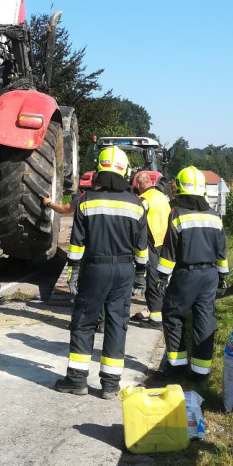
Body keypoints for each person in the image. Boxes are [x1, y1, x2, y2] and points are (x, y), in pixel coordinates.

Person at [54, 146, 149, 399]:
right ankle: (110, 385)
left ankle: (77, 380)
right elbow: (142, 248)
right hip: (124, 271)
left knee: (84, 322)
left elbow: (76, 243)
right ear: (125, 172)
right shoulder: (138, 205)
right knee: (117, 324)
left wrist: (73, 270)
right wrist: (140, 275)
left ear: (99, 171)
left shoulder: (86, 202)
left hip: (95, 268)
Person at [157, 166, 228, 381]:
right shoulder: (215, 216)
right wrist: (223, 276)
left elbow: (169, 251)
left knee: (173, 316)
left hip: (186, 275)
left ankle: (177, 367)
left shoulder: (177, 214)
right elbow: (221, 251)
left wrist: (162, 277)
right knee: (204, 319)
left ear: (180, 189)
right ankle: (201, 374)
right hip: (210, 276)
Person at [130, 172, 171, 328]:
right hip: (165, 242)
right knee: (163, 278)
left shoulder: (145, 200)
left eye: (136, 187)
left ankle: (155, 318)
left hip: (152, 241)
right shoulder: (161, 196)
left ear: (140, 185)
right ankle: (161, 312)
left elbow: (138, 222)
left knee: (151, 279)